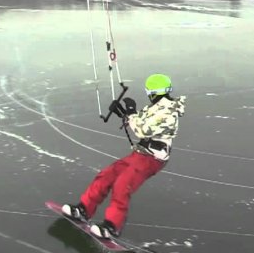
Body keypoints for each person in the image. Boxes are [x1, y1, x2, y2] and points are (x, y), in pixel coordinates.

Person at [62, 74, 186, 239]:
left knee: (122, 185)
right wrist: (123, 114)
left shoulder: (168, 111)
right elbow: (140, 121)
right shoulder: (157, 107)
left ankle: (112, 226)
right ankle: (84, 209)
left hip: (152, 158)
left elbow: (143, 130)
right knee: (107, 175)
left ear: (153, 92)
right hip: (141, 153)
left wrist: (131, 112)